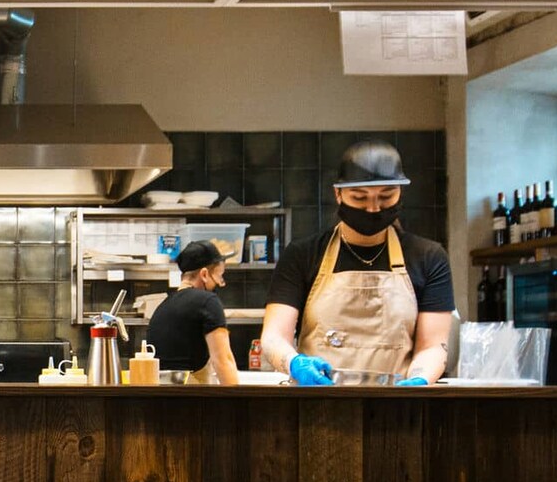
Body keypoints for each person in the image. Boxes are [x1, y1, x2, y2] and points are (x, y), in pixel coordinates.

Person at [258, 140, 453, 385]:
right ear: (338, 194)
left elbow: (433, 346)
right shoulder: (301, 254)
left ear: (400, 192)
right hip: (315, 404)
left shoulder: (429, 257)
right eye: (360, 198)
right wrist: (293, 363)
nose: (373, 208)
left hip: (397, 407)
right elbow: (274, 336)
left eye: (386, 196)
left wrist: (420, 379)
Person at [143, 239, 238, 383]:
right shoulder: (208, 301)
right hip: (194, 400)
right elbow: (223, 361)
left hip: (160, 400)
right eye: (219, 276)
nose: (220, 283)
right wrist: (238, 403)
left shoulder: (162, 307)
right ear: (204, 274)